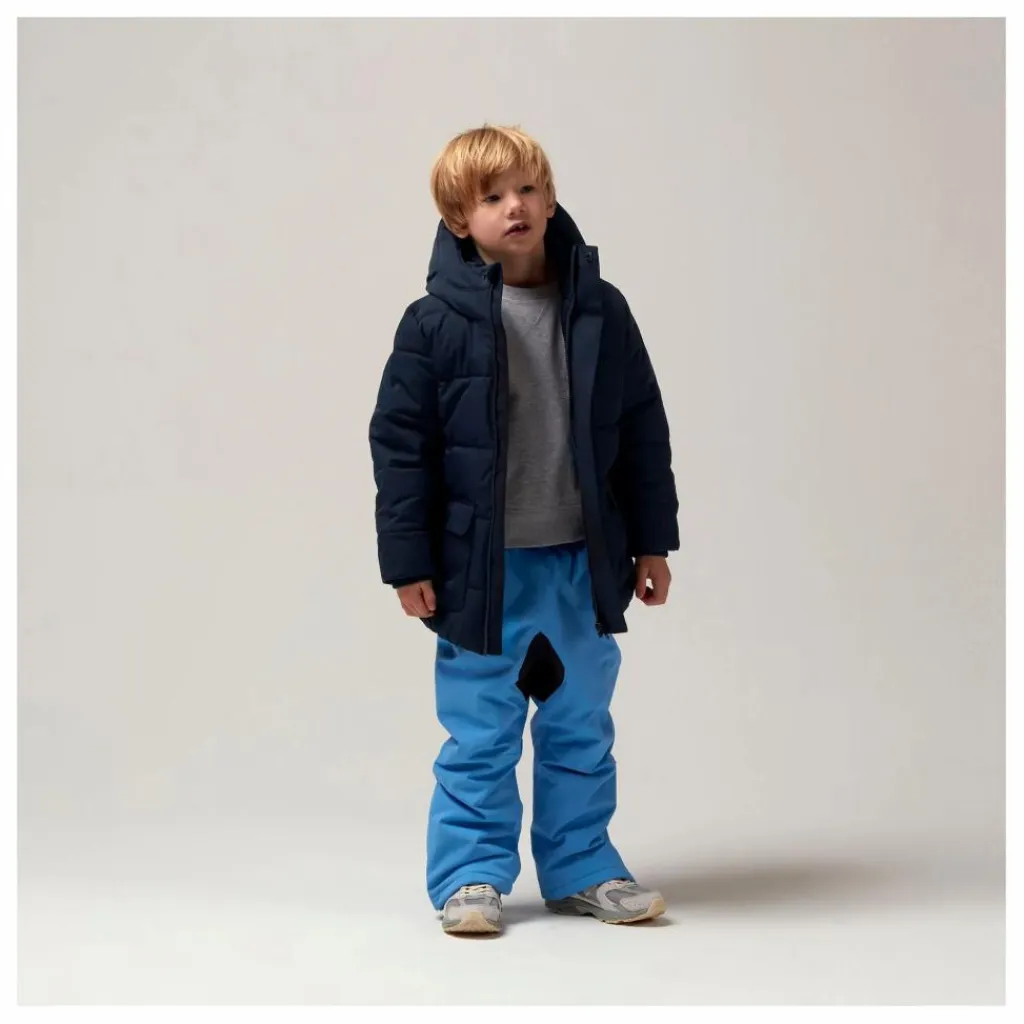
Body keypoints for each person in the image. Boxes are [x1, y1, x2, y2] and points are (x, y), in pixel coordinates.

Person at [369, 124, 679, 935]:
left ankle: (583, 867)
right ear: (458, 219)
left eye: (528, 189)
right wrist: (408, 562)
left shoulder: (602, 310)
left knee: (581, 725)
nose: (516, 206)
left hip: (582, 564)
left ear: (550, 199)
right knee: (481, 731)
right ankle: (470, 874)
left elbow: (642, 429)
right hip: (482, 574)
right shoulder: (433, 324)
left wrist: (653, 542)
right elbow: (401, 449)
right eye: (492, 196)